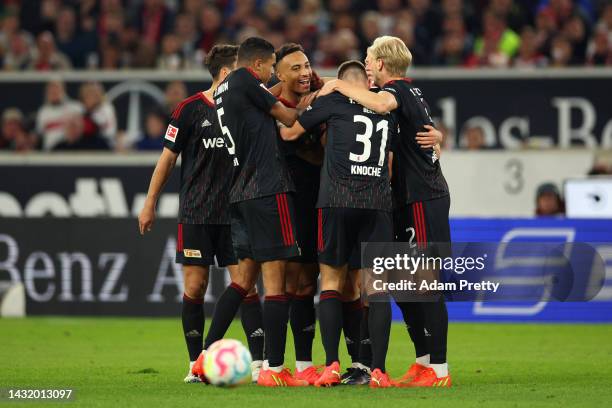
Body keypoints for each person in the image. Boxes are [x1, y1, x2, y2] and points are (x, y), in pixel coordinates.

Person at [320, 35, 451, 388]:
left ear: (381, 64)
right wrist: (438, 143)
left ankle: (439, 370)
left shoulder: (398, 91)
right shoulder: (409, 95)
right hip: (404, 199)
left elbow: (379, 106)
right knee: (403, 285)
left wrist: (337, 85)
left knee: (427, 283)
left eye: (368, 59)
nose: (365, 64)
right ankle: (423, 360)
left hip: (423, 197)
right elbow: (426, 142)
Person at [138, 45, 264, 383]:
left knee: (247, 285)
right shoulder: (189, 109)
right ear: (226, 74)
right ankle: (196, 364)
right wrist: (150, 202)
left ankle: (260, 363)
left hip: (237, 213)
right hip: (196, 212)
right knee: (195, 287)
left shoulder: (247, 107)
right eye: (241, 72)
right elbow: (167, 160)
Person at [280, 60, 397, 388]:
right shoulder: (387, 108)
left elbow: (290, 132)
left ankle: (331, 364)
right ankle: (380, 371)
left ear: (341, 84)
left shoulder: (331, 101)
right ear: (367, 83)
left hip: (336, 201)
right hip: (376, 204)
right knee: (376, 289)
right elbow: (390, 163)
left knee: (330, 282)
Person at [206, 36, 314, 387]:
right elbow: (288, 116)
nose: (271, 74)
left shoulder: (223, 89)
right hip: (267, 188)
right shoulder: (247, 83)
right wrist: (315, 98)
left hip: (239, 192)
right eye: (270, 68)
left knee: (242, 281)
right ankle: (276, 369)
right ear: (257, 65)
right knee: (277, 280)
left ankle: (204, 358)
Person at [273, 42, 324, 385]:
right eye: (296, 68)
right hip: (286, 201)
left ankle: (307, 364)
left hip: (322, 198)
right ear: (279, 75)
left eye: (307, 65)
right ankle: (273, 364)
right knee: (288, 283)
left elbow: (342, 82)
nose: (305, 73)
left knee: (311, 283)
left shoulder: (321, 88)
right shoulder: (267, 101)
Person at [36, 79, 82, 150]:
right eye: (51, 90)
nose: (54, 92)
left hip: (72, 150)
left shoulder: (76, 107)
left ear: (63, 90)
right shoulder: (43, 111)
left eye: (57, 88)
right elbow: (39, 134)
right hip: (50, 153)